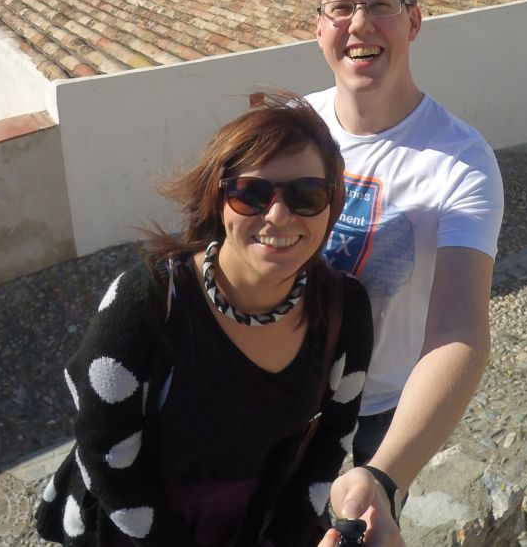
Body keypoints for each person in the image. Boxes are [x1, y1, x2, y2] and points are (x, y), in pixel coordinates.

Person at [37, 96, 374, 547]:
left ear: (332, 205)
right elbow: (105, 455)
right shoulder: (147, 302)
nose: (278, 215)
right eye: (251, 193)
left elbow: (332, 439)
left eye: (306, 195)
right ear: (218, 200)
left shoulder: (343, 308)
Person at [306, 0, 503, 545]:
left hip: (388, 406)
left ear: (414, 21)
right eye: (340, 7)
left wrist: (384, 478)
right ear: (319, 29)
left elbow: (459, 329)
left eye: (380, 4)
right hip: (289, 390)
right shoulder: (293, 129)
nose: (359, 23)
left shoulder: (461, 163)